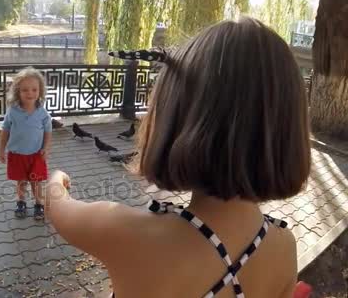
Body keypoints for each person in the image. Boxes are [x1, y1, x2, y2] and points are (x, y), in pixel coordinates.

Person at [45, 17, 311, 297]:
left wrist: (56, 179)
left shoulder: (129, 234)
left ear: (176, 121)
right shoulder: (284, 246)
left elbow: (58, 207)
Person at [0, 67, 52, 220]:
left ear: (40, 91)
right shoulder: (12, 112)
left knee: (36, 182)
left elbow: (48, 132)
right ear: (17, 92)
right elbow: (5, 131)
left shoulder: (43, 113)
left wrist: (46, 148)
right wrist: (1, 151)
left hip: (36, 154)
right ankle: (21, 202)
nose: (30, 93)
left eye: (34, 90)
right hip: (17, 154)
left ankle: (39, 204)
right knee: (21, 182)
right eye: (25, 90)